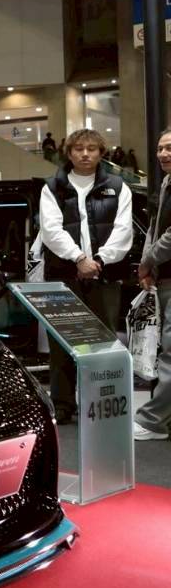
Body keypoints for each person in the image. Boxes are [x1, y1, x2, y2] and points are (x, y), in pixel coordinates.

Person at [39, 128, 132, 425]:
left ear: (101, 153)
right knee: (61, 343)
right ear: (68, 153)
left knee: (103, 342)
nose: (85, 154)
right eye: (78, 148)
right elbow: (50, 231)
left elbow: (123, 230)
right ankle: (63, 405)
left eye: (92, 148)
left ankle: (100, 401)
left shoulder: (118, 186)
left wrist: (99, 260)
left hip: (105, 275)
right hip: (63, 276)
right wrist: (79, 258)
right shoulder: (52, 186)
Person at [133, 129, 171, 440]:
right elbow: (155, 230)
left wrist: (147, 262)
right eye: (160, 148)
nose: (163, 154)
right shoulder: (167, 183)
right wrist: (150, 268)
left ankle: (153, 421)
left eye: (169, 148)